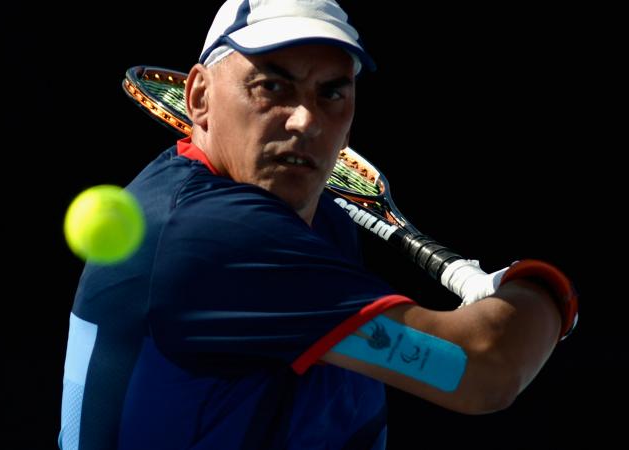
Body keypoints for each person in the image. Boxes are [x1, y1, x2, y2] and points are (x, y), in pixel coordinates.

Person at [58, 1, 578, 449]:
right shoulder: (214, 239)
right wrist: (542, 292)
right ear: (199, 97)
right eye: (271, 85)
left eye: (331, 93)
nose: (305, 120)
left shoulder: (307, 217)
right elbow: (484, 370)